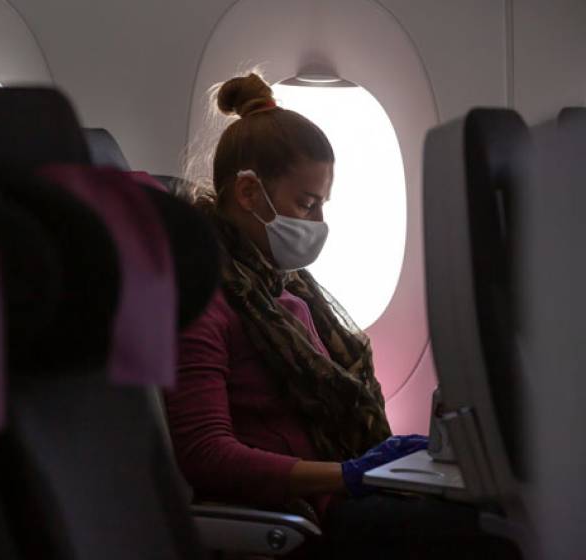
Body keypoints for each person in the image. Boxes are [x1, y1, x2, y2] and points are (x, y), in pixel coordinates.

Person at [163, 73, 520, 559]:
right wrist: (350, 475)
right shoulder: (202, 301)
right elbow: (205, 456)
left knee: (503, 510)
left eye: (322, 205)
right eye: (306, 204)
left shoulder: (287, 293)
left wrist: (394, 464)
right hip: (300, 515)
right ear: (248, 194)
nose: (317, 224)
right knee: (492, 537)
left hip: (335, 493)